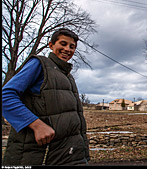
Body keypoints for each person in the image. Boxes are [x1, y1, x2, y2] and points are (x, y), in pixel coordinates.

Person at [2, 28, 89, 165]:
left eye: (72, 47)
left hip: (68, 155)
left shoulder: (67, 76)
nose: (67, 49)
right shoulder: (40, 64)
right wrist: (36, 125)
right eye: (63, 44)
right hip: (40, 155)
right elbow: (5, 96)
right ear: (51, 45)